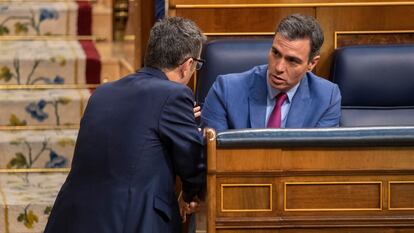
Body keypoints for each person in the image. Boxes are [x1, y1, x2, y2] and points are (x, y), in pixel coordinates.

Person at [44, 17, 206, 233]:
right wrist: (188, 194)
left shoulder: (102, 93)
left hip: (72, 219)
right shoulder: (175, 95)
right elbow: (194, 164)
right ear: (187, 65)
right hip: (131, 222)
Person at [201, 14, 341, 132]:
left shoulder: (326, 98)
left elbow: (319, 159)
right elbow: (213, 156)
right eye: (276, 53)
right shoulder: (226, 90)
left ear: (311, 64)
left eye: (292, 61)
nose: (279, 67)